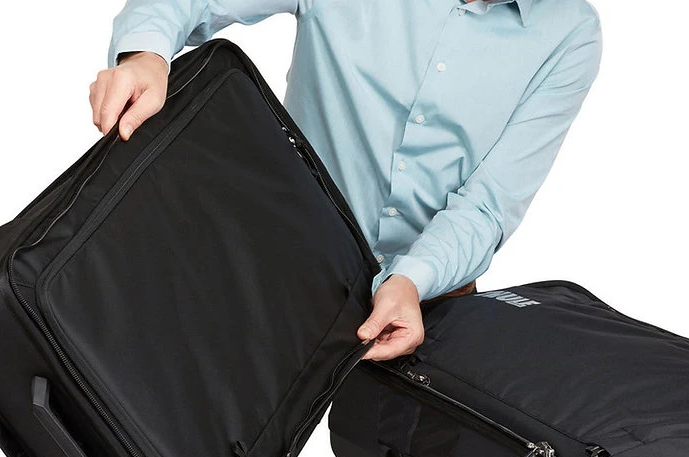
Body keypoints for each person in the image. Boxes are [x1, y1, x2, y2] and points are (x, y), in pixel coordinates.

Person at [91, 0, 602, 360]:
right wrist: (146, 55)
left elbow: (489, 204)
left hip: (425, 304)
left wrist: (410, 280)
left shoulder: (571, 32)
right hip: (277, 262)